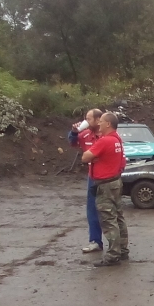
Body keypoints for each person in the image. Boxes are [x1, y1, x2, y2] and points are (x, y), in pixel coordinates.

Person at [81, 112, 128, 267]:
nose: (98, 123)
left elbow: (85, 157)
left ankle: (113, 255)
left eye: (101, 121)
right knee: (118, 217)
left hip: (105, 184)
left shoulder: (105, 141)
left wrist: (94, 157)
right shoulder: (117, 139)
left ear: (108, 124)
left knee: (108, 220)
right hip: (115, 182)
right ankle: (122, 250)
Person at [68, 108, 104, 254]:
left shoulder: (107, 135)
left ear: (98, 120)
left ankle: (118, 244)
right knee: (92, 209)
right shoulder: (85, 134)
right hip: (93, 176)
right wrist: (74, 132)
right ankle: (95, 241)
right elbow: (73, 142)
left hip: (108, 177)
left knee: (111, 210)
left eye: (88, 119)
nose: (86, 121)